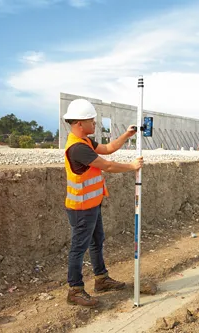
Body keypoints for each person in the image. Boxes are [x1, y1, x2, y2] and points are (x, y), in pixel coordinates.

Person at [62, 98, 143, 307]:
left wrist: (127, 134)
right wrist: (132, 166)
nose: (95, 124)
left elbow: (107, 149)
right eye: (92, 120)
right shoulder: (77, 148)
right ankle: (75, 290)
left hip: (91, 204)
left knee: (97, 241)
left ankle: (101, 279)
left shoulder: (86, 142)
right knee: (79, 248)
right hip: (81, 208)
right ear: (80, 123)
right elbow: (106, 165)